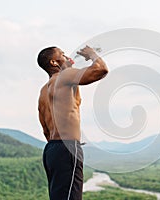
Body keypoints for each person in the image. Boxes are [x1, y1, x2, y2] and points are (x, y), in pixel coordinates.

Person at [37, 46, 108, 200]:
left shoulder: (43, 92)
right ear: (54, 62)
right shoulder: (65, 76)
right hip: (66, 148)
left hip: (51, 150)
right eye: (62, 54)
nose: (67, 56)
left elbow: (46, 130)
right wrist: (92, 54)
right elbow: (101, 70)